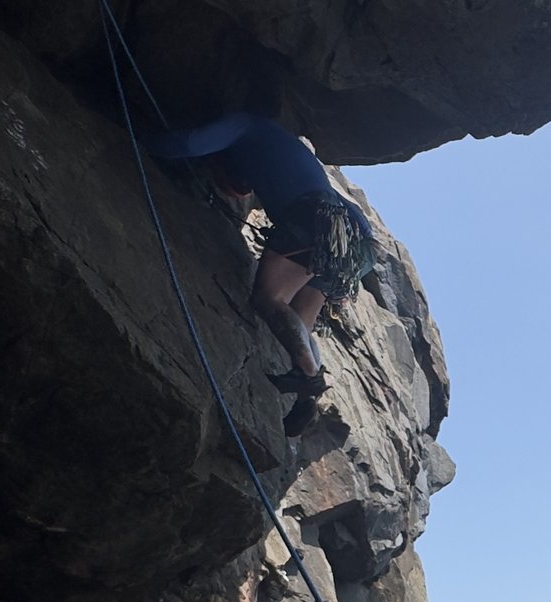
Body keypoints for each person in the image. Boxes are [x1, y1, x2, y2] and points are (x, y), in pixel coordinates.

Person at [141, 111, 377, 436]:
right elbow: (241, 185)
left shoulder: (246, 125)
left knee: (269, 299)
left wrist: (140, 136)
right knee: (300, 319)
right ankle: (307, 398)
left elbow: (190, 143)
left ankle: (309, 376)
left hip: (316, 217)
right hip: (355, 243)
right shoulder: (283, 149)